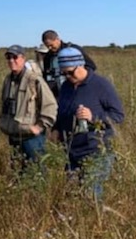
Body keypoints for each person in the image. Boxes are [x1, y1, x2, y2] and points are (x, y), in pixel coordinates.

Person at [51, 47, 124, 201]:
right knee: (72, 194)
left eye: (70, 72)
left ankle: (98, 223)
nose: (67, 76)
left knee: (91, 195)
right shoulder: (65, 87)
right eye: (63, 73)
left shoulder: (100, 85)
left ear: (81, 65)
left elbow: (118, 116)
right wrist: (56, 128)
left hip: (96, 151)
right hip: (71, 151)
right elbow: (61, 111)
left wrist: (93, 116)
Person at [0, 45, 58, 174]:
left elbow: (50, 105)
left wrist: (39, 126)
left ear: (23, 58)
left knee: (37, 172)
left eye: (15, 57)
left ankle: (39, 195)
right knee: (18, 172)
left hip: (31, 139)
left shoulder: (34, 79)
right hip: (13, 135)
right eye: (8, 57)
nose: (11, 60)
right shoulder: (8, 80)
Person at [41, 30, 96, 99]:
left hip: (76, 91)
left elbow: (91, 66)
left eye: (51, 45)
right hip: (57, 95)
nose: (49, 48)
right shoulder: (48, 57)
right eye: (47, 46)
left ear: (58, 39)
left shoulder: (74, 50)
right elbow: (47, 75)